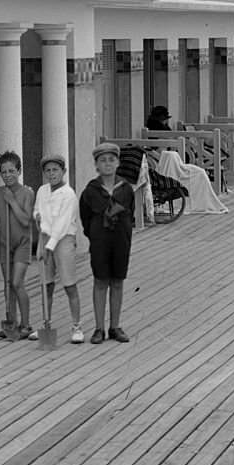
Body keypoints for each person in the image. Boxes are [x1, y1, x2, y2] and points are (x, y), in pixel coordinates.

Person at [79, 142, 133, 344]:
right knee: (101, 281)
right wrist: (94, 234)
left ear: (118, 162)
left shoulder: (126, 189)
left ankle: (115, 326)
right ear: (96, 165)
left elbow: (130, 213)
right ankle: (99, 328)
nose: (108, 164)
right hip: (100, 242)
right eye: (103, 160)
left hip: (120, 241)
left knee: (117, 281)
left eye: (111, 159)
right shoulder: (91, 191)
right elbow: (85, 217)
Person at [33, 154, 84, 344]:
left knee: (69, 283)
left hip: (62, 240)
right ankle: (46, 323)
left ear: (63, 171)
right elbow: (37, 210)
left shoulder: (69, 194)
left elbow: (62, 224)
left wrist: (49, 246)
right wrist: (37, 217)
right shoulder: (42, 190)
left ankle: (77, 326)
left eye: (55, 170)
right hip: (44, 237)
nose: (51, 173)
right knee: (46, 284)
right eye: (48, 170)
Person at [0, 151, 35, 340]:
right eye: (3, 172)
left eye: (11, 171)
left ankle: (26, 324)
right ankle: (11, 322)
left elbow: (26, 220)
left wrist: (12, 201)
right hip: (4, 243)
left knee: (17, 283)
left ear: (19, 170)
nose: (7, 175)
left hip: (22, 243)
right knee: (8, 285)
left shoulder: (27, 193)